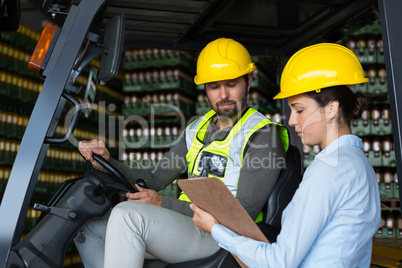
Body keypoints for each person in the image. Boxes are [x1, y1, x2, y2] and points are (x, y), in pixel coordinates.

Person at [75, 37, 289, 267]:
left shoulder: (263, 135)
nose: (223, 95)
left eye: (231, 83)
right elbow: (155, 179)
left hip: (223, 235)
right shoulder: (196, 129)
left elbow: (242, 213)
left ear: (248, 81)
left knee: (126, 216)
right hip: (187, 222)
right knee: (87, 227)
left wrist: (164, 203)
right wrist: (107, 161)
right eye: (214, 86)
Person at [190, 43, 381, 267]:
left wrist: (215, 229)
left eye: (299, 110)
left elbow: (280, 262)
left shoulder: (329, 170)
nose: (291, 120)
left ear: (331, 109)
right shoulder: (358, 164)